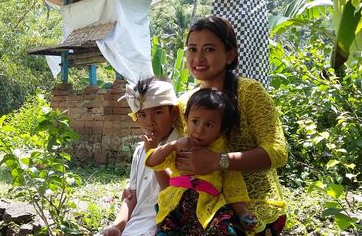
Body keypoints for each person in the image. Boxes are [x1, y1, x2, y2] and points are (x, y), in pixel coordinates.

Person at [175, 16, 288, 235]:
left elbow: (278, 152)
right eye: (192, 49)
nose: (198, 57)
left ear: (230, 55)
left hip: (254, 204)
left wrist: (220, 161)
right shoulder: (184, 104)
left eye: (209, 49)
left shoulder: (248, 92)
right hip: (203, 202)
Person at [145, 88, 257, 235]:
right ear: (186, 119)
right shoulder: (180, 146)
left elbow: (233, 188)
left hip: (210, 207)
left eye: (209, 125)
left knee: (226, 231)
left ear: (221, 130)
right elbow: (153, 163)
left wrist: (243, 213)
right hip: (175, 206)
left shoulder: (222, 154)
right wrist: (171, 145)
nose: (199, 130)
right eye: (195, 121)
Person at [100, 77, 180, 236]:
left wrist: (154, 157)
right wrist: (117, 226)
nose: (150, 122)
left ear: (174, 113)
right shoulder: (140, 150)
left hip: (167, 227)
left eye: (157, 112)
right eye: (142, 115)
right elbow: (131, 196)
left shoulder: (182, 147)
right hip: (135, 225)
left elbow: (174, 193)